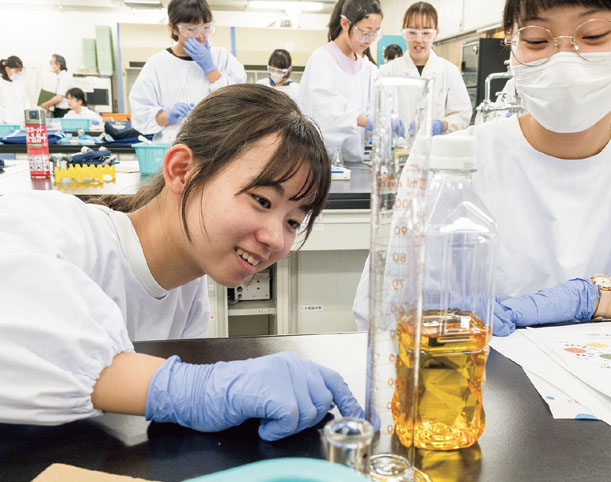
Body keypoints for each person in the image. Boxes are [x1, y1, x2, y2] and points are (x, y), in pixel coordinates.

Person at [0, 84, 363, 441]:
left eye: (293, 222)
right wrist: (183, 387)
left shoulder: (187, 295)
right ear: (181, 170)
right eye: (262, 200)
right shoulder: (62, 228)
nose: (277, 239)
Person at [354, 0, 611, 335]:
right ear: (513, 41)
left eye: (593, 35)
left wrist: (595, 296)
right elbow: (386, 315)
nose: (564, 62)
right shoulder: (443, 164)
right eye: (536, 40)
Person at [129, 0, 246, 144]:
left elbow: (238, 102)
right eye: (192, 29)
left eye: (206, 27)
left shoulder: (222, 58)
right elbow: (142, 115)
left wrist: (211, 70)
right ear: (173, 28)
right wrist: (168, 115)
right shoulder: (157, 64)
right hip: (172, 145)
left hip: (216, 145)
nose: (201, 35)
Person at [298, 0, 384, 163]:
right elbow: (326, 113)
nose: (369, 40)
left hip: (353, 161)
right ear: (345, 23)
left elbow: (373, 109)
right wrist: (365, 122)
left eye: (375, 33)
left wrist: (384, 122)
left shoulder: (368, 68)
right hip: (319, 162)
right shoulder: (322, 59)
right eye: (365, 32)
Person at [379, 2, 472, 137]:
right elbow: (376, 114)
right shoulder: (387, 72)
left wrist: (442, 125)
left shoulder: (449, 71)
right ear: (403, 33)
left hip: (436, 150)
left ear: (436, 34)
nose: (419, 39)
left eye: (426, 33)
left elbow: (462, 115)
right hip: (398, 150)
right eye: (412, 32)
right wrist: (388, 122)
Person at [0, 56, 30, 125]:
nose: (18, 74)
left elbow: (25, 101)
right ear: (7, 69)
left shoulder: (18, 83)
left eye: (20, 72)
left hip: (20, 124)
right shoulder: (1, 84)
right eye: (16, 71)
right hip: (5, 125)